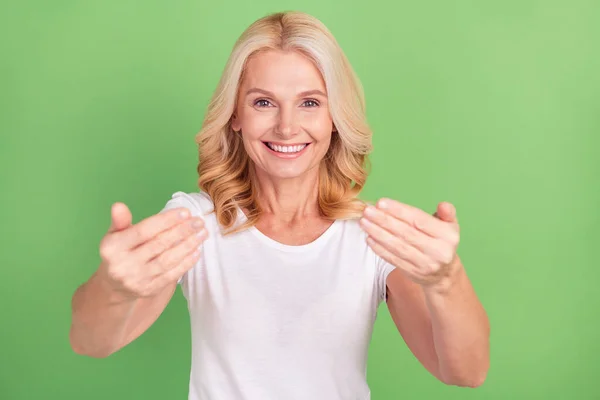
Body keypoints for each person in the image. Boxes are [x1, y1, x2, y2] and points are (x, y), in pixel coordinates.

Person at [69, 10, 490, 400]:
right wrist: (115, 287)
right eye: (263, 102)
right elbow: (91, 342)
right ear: (235, 114)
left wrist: (446, 280)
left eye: (310, 102)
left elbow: (465, 372)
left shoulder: (371, 236)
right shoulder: (196, 222)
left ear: (333, 117)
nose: (287, 127)